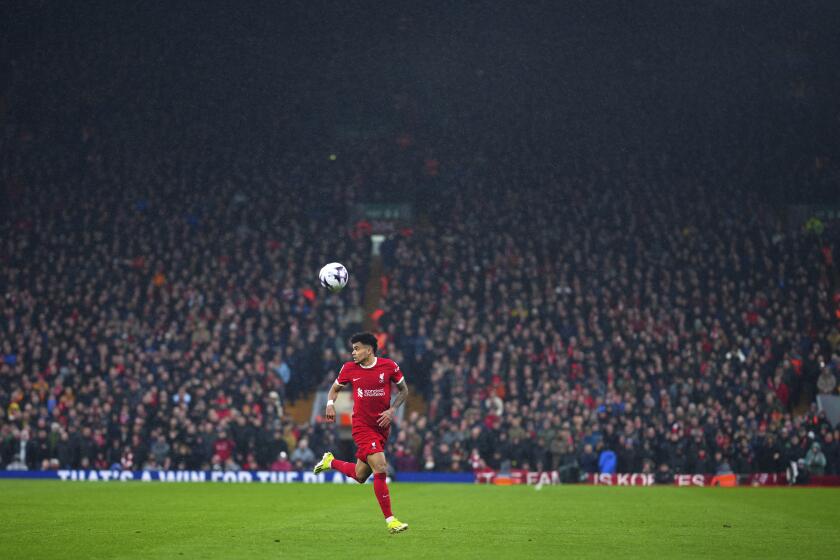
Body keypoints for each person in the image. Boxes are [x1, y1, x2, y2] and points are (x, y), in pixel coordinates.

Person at [313, 333, 410, 534]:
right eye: (353, 349)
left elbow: (404, 391)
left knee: (360, 475)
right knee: (381, 467)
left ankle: (330, 462)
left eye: (357, 348)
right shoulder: (349, 369)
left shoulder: (389, 366)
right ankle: (391, 520)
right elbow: (334, 389)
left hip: (382, 427)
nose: (353, 352)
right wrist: (330, 405)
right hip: (362, 427)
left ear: (369, 349)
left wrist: (392, 410)